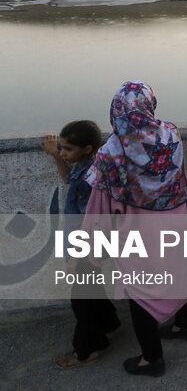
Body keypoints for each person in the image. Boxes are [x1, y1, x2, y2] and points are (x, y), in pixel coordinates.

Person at [84, 82, 187, 377]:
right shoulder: (172, 133)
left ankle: (152, 359)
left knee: (141, 291)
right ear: (150, 104)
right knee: (180, 268)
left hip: (139, 230)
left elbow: (99, 203)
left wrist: (91, 246)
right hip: (175, 218)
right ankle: (186, 325)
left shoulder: (111, 152)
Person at [40, 120, 121, 369]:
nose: (63, 152)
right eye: (62, 147)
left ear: (87, 148)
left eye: (67, 149)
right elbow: (69, 181)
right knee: (92, 289)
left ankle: (86, 351)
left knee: (81, 301)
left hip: (87, 245)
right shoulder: (89, 166)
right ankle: (109, 326)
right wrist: (57, 156)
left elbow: (91, 221)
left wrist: (76, 257)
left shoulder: (91, 178)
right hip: (89, 243)